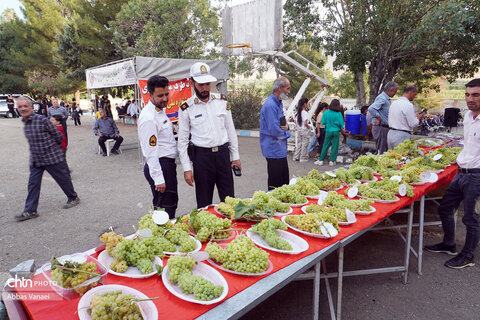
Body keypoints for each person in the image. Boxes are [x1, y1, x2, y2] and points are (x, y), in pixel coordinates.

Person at [425, 78, 480, 269]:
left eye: (475, 95)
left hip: (477, 176)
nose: (470, 99)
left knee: (471, 218)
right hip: (461, 172)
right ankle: (449, 244)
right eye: (467, 94)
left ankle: (467, 255)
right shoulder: (468, 117)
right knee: (445, 208)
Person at [177, 62, 241, 208]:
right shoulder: (186, 108)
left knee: (230, 201)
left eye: (207, 83)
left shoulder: (222, 102)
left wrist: (235, 157)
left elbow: (230, 131)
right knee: (204, 203)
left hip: (223, 156)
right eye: (201, 84)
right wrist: (187, 168)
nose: (205, 88)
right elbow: (182, 142)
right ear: (191, 82)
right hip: (202, 159)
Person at [15, 96, 79, 221]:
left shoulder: (42, 120)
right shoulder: (25, 122)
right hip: (36, 160)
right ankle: (30, 210)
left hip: (51, 158)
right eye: (20, 106)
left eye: (25, 106)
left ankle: (73, 197)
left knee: (62, 179)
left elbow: (58, 136)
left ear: (31, 108)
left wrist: (54, 150)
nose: (23, 109)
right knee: (33, 184)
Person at [138, 75, 178, 219]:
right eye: (160, 95)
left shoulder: (160, 111)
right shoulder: (149, 118)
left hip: (166, 165)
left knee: (170, 204)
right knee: (164, 210)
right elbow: (151, 151)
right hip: (160, 166)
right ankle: (162, 238)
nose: (165, 98)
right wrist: (158, 178)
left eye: (167, 94)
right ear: (150, 95)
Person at [260, 77, 291, 190]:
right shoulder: (270, 105)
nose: (288, 91)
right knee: (275, 186)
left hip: (280, 151)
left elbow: (283, 123)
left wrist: (286, 128)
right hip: (273, 151)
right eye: (287, 89)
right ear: (279, 88)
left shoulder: (279, 103)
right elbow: (275, 130)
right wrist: (287, 133)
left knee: (284, 184)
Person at [387, 85, 424, 149]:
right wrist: (418, 118)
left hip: (390, 133)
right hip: (401, 135)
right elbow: (413, 124)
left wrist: (414, 116)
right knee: (402, 157)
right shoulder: (408, 105)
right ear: (411, 92)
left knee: (391, 156)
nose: (414, 97)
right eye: (414, 95)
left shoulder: (394, 103)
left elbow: (401, 118)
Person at [368, 81, 399, 154]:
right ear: (389, 90)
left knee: (383, 150)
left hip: (383, 128)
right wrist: (378, 117)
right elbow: (371, 108)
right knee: (381, 151)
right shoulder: (382, 98)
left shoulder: (386, 98)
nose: (395, 93)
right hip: (381, 128)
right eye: (395, 91)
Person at [315, 99, 345, 166]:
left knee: (325, 145)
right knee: (335, 146)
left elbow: (323, 122)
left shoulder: (326, 113)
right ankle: (332, 161)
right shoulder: (339, 114)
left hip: (328, 131)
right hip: (336, 132)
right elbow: (341, 125)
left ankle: (321, 160)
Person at [293, 98, 310, 162]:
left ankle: (296, 157)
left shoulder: (298, 113)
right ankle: (302, 158)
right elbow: (305, 123)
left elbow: (295, 121)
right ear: (304, 104)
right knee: (304, 144)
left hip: (299, 129)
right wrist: (308, 127)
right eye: (307, 103)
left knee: (299, 143)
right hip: (304, 130)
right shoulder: (305, 113)